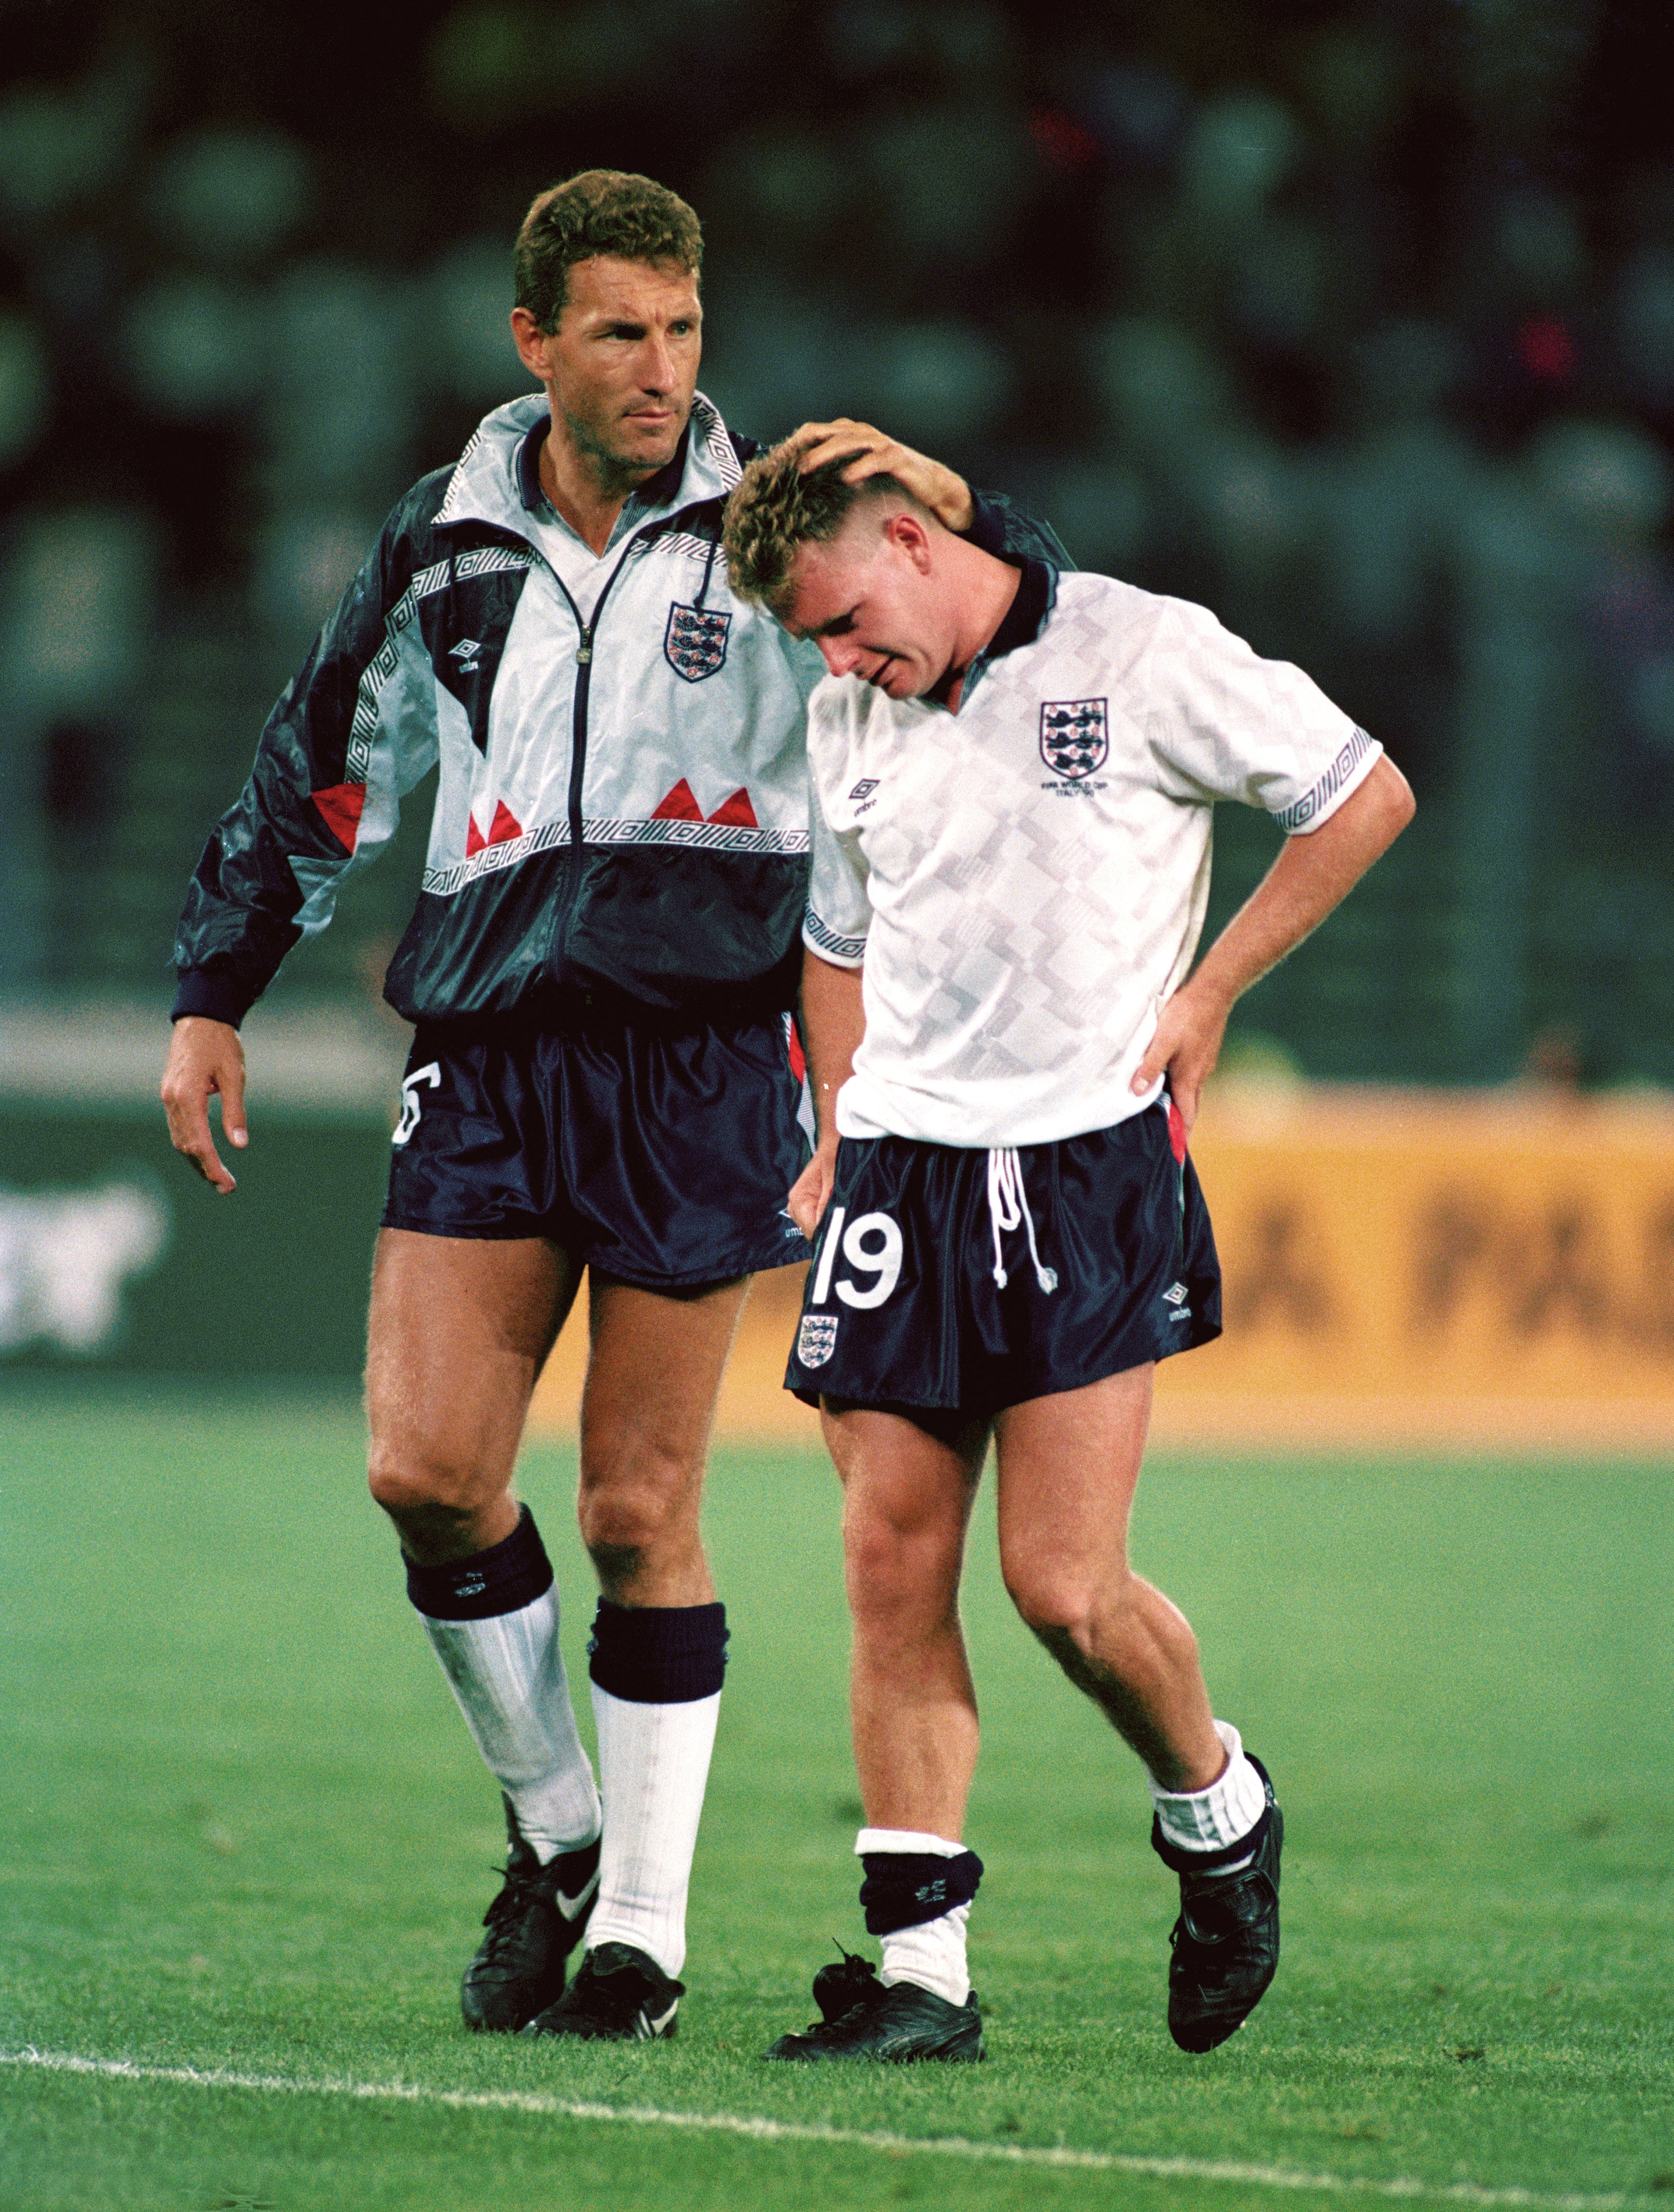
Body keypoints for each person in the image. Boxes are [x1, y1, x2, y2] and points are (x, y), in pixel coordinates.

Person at [159, 170, 1063, 2045]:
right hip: (487, 1051)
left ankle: (637, 1941)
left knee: (643, 1508)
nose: (661, 370)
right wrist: (210, 990)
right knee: (423, 1469)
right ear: (534, 344)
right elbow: (325, 762)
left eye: (683, 332)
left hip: (704, 1058)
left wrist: (964, 509)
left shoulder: (766, 526)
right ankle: (560, 1831)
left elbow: (980, 620)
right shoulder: (445, 543)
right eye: (621, 334)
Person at [720, 439, 1415, 2061]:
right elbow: (838, 943)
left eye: (846, 622)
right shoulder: (850, 720)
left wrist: (1212, 988)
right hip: (904, 1164)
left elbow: (1361, 795)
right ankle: (921, 1974)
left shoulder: (1140, 649)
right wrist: (836, 1126)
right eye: (814, 645)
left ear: (909, 538)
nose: (840, 664)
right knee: (890, 1556)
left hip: (1086, 1162)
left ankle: (1219, 1813)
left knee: (1064, 1587)